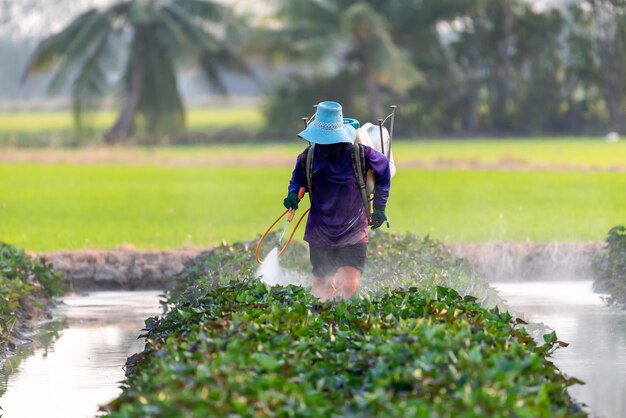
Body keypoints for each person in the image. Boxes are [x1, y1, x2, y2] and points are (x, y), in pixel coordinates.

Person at [284, 101, 391, 301]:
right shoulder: (307, 157)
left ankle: (344, 325)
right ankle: (324, 326)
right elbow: (297, 180)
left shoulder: (360, 155)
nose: (327, 144)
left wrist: (380, 207)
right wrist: (292, 194)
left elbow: (384, 169)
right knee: (321, 288)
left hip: (353, 230)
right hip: (319, 232)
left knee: (347, 286)